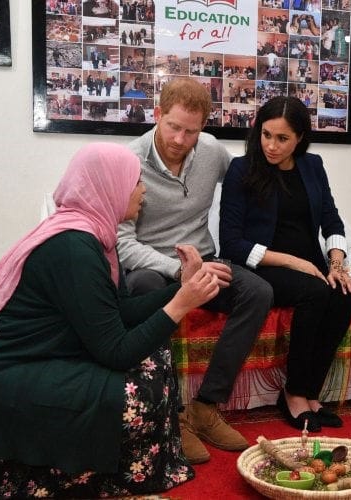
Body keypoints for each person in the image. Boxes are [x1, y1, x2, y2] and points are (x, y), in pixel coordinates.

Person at [0, 143, 220, 498]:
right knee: (139, 391)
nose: (143, 190)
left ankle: (126, 461)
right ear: (109, 186)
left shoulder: (93, 236)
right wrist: (180, 305)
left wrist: (182, 288)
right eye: (136, 182)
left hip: (35, 358)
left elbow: (118, 312)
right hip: (4, 378)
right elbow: (115, 352)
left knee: (158, 357)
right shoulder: (74, 247)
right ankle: (96, 472)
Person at [117, 78, 273, 464]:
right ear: (157, 115)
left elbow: (245, 186)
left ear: (204, 126)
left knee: (258, 292)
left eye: (192, 130)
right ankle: (167, 416)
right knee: (145, 290)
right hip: (151, 265)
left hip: (204, 260)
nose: (180, 139)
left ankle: (205, 408)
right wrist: (177, 270)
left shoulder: (210, 151)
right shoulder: (127, 162)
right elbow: (122, 242)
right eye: (173, 126)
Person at [219, 96, 351, 432]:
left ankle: (312, 392)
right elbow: (231, 243)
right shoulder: (242, 169)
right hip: (262, 266)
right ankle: (293, 393)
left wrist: (336, 263)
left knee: (345, 294)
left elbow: (331, 219)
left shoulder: (313, 166)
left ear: (299, 138)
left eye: (282, 138)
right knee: (315, 293)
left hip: (307, 265)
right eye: (266, 135)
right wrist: (293, 262)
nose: (271, 145)